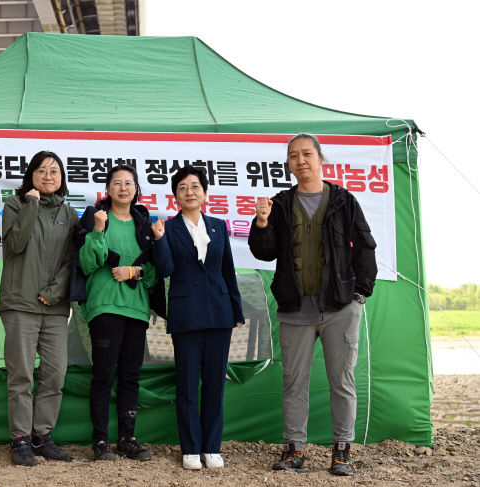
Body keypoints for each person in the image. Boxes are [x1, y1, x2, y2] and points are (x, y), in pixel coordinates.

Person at [248, 133, 377, 476]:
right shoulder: (279, 203)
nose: (300, 160)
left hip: (340, 308)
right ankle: (295, 450)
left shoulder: (344, 201)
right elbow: (264, 251)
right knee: (294, 383)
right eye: (293, 156)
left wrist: (360, 294)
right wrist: (261, 222)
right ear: (288, 164)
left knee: (342, 381)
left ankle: (343, 451)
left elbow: (365, 246)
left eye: (307, 154)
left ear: (321, 159)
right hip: (295, 308)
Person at [151, 166, 245, 471]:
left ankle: (211, 446)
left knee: (215, 384)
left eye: (195, 186)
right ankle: (190, 447)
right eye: (182, 187)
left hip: (219, 312)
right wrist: (159, 240)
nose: (189, 192)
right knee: (188, 384)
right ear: (175, 195)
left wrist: (237, 310)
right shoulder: (168, 227)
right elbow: (165, 269)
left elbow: (228, 271)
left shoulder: (218, 226)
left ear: (205, 192)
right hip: (186, 314)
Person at [73, 164, 164, 462]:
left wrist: (133, 271)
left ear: (137, 189)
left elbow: (153, 272)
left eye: (129, 183)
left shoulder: (144, 223)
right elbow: (87, 263)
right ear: (108, 189)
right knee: (103, 375)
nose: (123, 188)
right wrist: (98, 231)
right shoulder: (96, 218)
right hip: (104, 306)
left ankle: (128, 438)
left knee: (130, 376)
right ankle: (100, 441)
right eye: (117, 183)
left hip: (137, 309)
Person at [0, 150, 79, 466]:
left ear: (62, 178)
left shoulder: (69, 214)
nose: (49, 175)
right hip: (19, 304)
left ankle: (41, 437)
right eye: (42, 170)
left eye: (55, 171)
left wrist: (55, 292)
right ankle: (20, 441)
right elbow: (15, 245)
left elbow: (72, 261)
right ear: (31, 175)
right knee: (21, 375)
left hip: (55, 308)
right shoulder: (15, 205)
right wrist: (30, 204)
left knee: (55, 374)